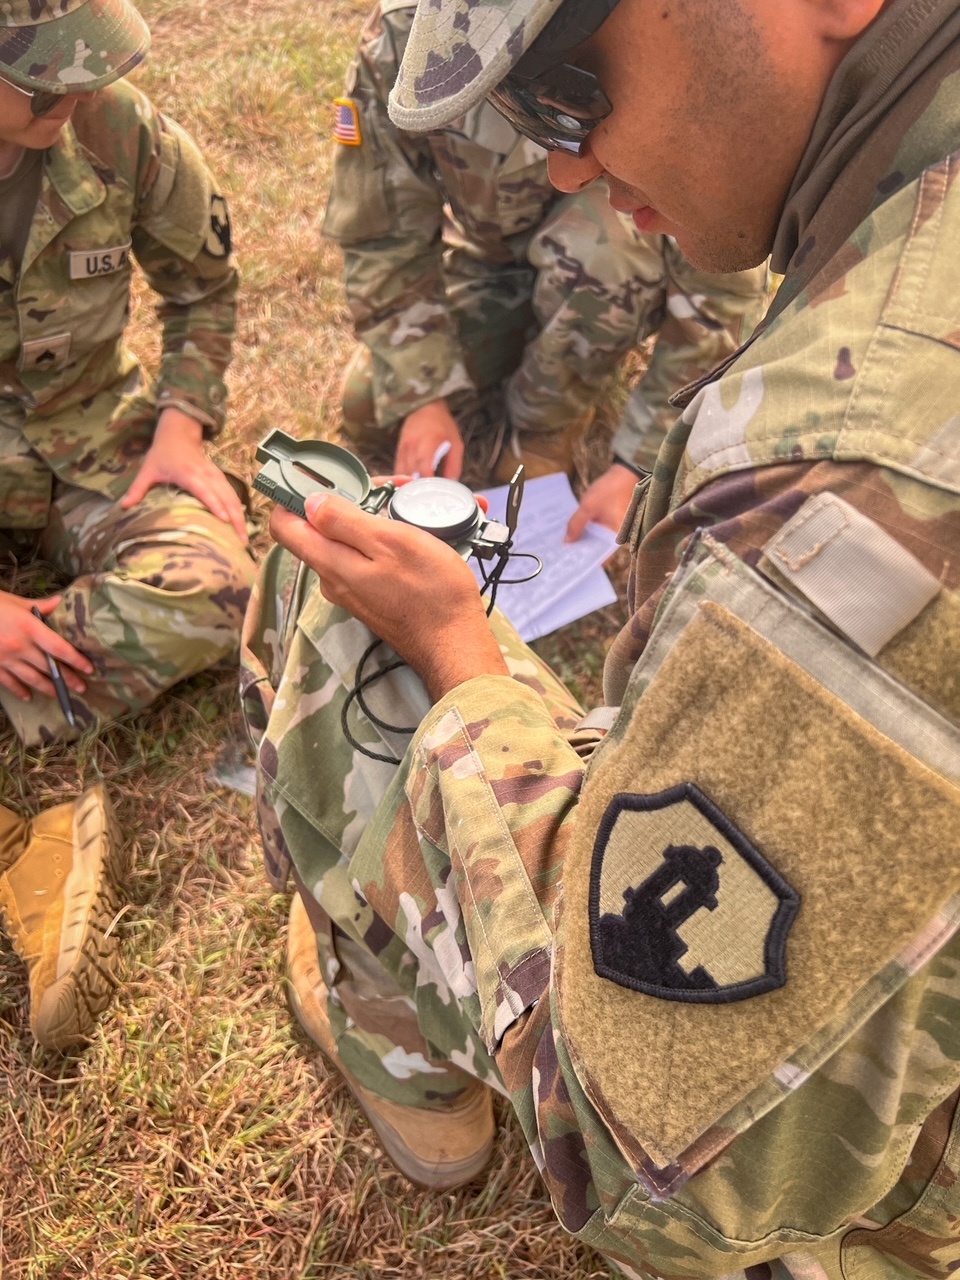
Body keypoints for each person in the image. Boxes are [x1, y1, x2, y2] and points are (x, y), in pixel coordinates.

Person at [242, 0, 960, 1274]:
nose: (563, 158)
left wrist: (463, 655)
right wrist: (419, 398)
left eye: (573, 83)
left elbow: (645, 1168)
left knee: (349, 619)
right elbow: (382, 243)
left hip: (857, 1206)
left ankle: (396, 1035)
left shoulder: (853, 464)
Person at [0, 0, 254, 1050]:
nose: (70, 97)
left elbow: (204, 283)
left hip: (91, 446)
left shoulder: (115, 126)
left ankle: (34, 671)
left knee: (214, 587)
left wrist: (184, 430)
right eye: (39, 79)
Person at [326, 0, 771, 537]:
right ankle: (529, 357)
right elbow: (383, 232)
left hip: (609, 270)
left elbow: (722, 291)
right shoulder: (404, 35)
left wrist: (638, 462)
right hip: (493, 265)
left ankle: (545, 428)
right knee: (366, 405)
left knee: (599, 247)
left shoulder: (638, 25)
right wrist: (425, 397)